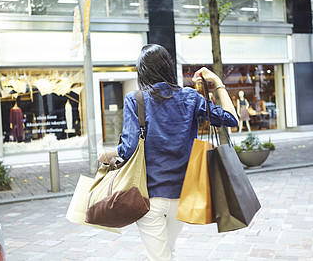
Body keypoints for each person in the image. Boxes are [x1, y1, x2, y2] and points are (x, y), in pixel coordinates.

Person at [98, 44, 238, 261]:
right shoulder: (191, 98)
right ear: (168, 67)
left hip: (148, 197)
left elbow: (128, 149)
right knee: (167, 251)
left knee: (160, 257)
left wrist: (107, 154)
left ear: (142, 70)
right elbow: (231, 119)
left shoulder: (135, 99)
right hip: (183, 197)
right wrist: (217, 82)